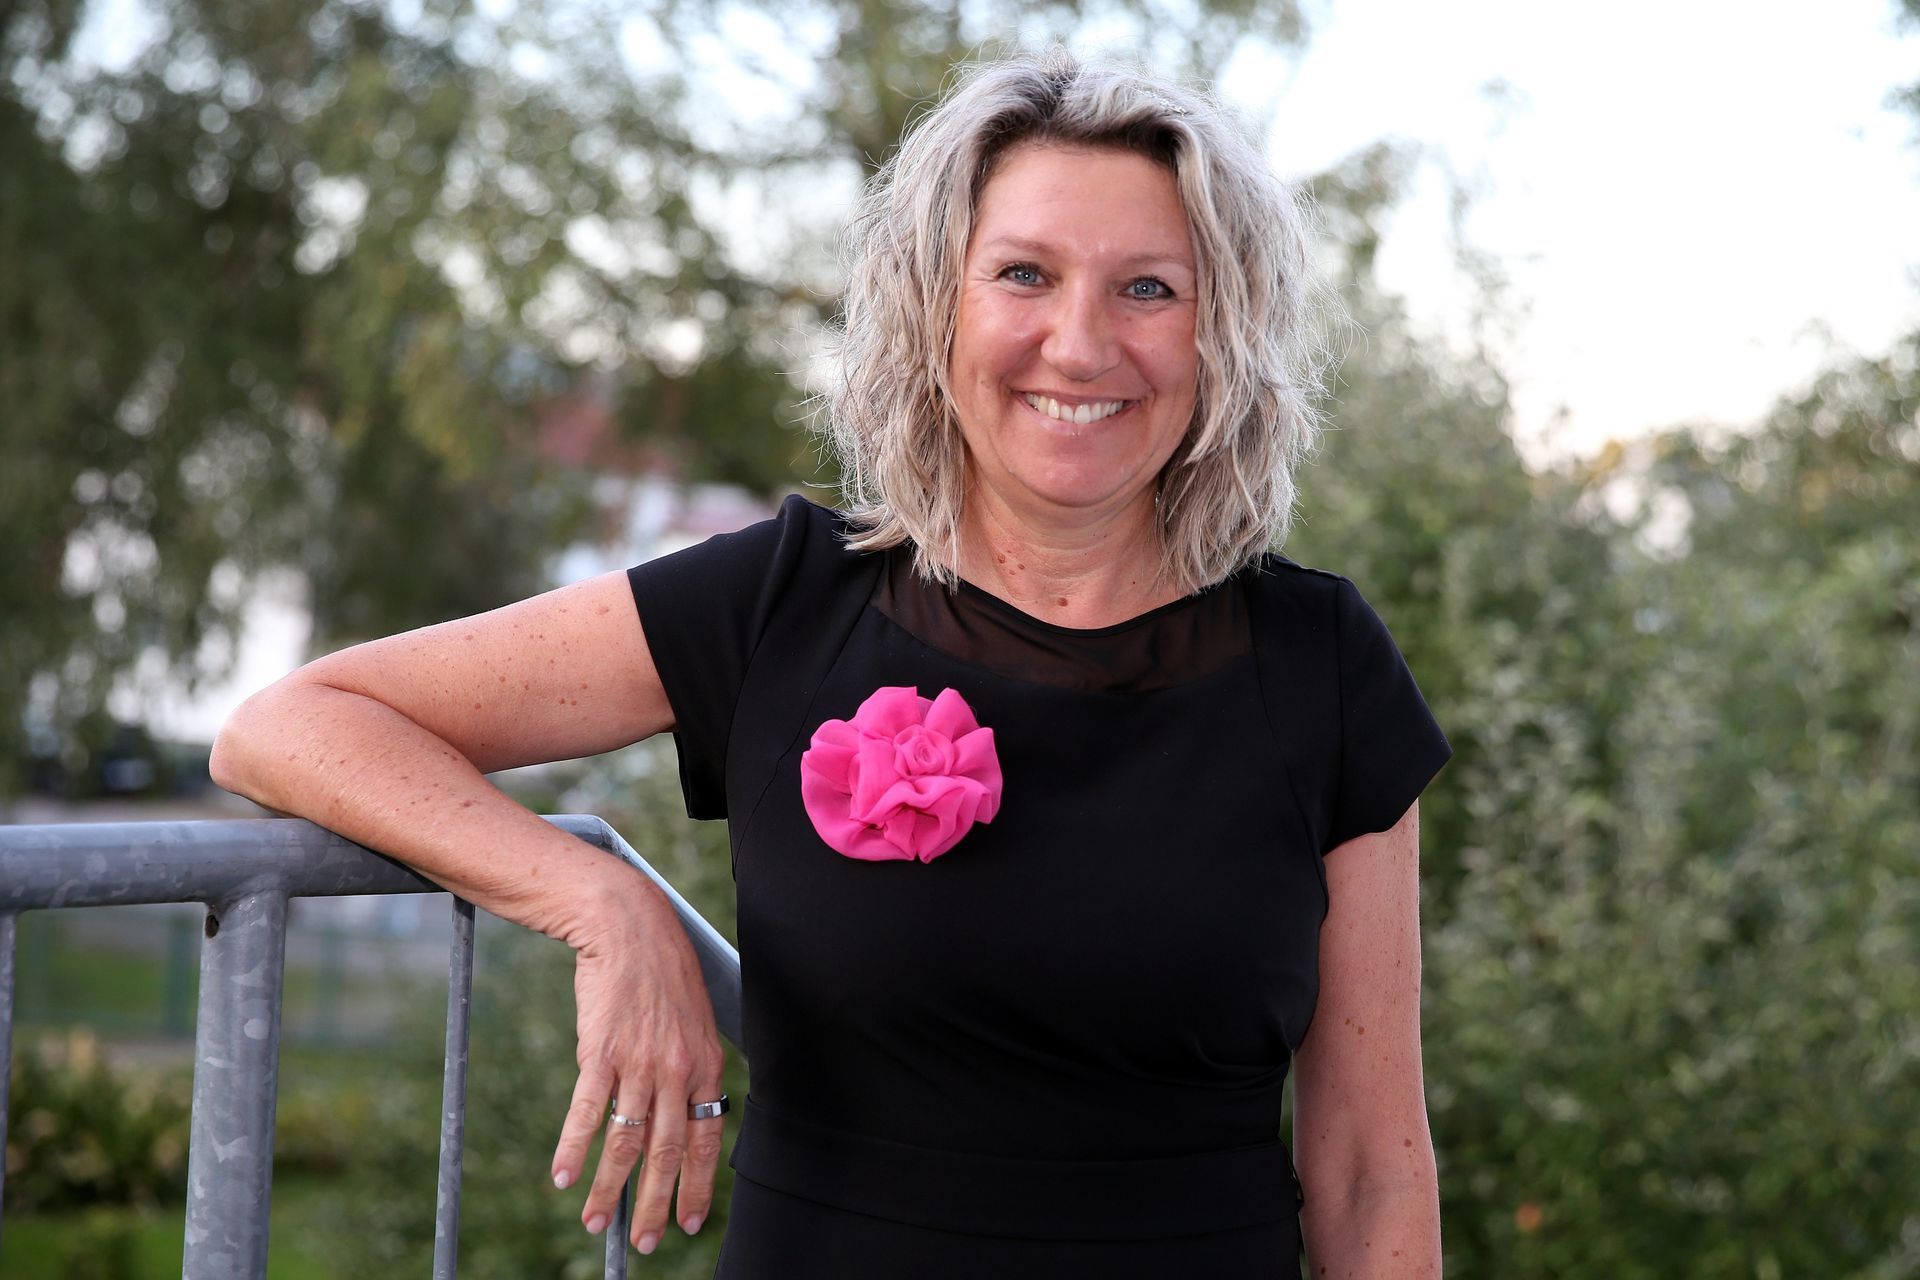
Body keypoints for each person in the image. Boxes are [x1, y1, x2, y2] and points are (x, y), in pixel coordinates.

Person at [212, 49, 1450, 1278]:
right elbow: (291, 722)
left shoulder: (1322, 664)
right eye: (1023, 273)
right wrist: (600, 899)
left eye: (1149, 288)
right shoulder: (782, 603)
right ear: (936, 306)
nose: (1080, 344)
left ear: (1221, 333)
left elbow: (1369, 1170)